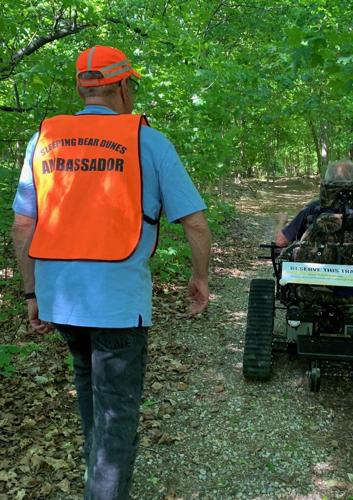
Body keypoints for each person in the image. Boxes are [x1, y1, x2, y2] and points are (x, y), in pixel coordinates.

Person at [11, 45, 211, 499]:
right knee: (115, 423)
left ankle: (97, 483)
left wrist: (32, 295)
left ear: (81, 88)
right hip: (118, 308)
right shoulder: (148, 141)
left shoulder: (43, 141)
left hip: (62, 302)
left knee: (93, 405)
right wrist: (200, 279)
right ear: (123, 86)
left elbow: (24, 224)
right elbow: (195, 223)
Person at [275, 160, 353, 250]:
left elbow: (281, 242)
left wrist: (282, 222)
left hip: (313, 275)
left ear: (328, 181)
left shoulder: (313, 208)